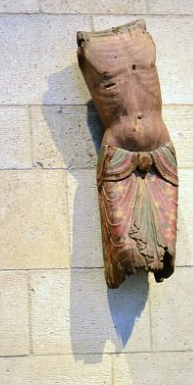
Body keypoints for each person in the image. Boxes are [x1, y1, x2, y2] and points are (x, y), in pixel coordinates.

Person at [77, 20, 177, 288]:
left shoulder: (143, 39)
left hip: (161, 155)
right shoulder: (91, 46)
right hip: (121, 155)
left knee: (165, 247)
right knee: (125, 248)